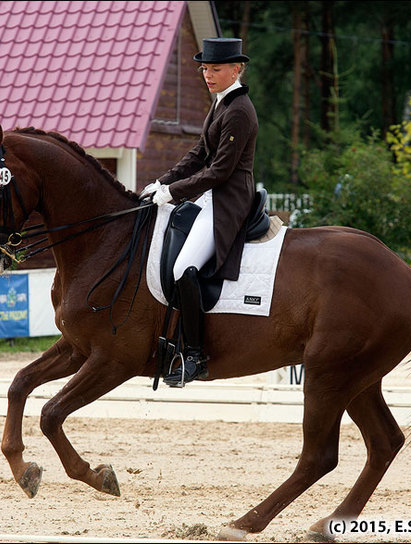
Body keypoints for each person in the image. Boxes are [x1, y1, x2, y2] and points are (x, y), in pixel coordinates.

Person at [141, 37, 258, 387]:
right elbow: (197, 154)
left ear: (236, 69)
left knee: (183, 268)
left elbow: (220, 171)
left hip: (228, 200)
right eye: (205, 68)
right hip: (210, 195)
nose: (207, 74)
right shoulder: (221, 102)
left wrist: (173, 192)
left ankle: (194, 355)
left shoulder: (238, 110)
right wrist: (160, 182)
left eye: (215, 69)